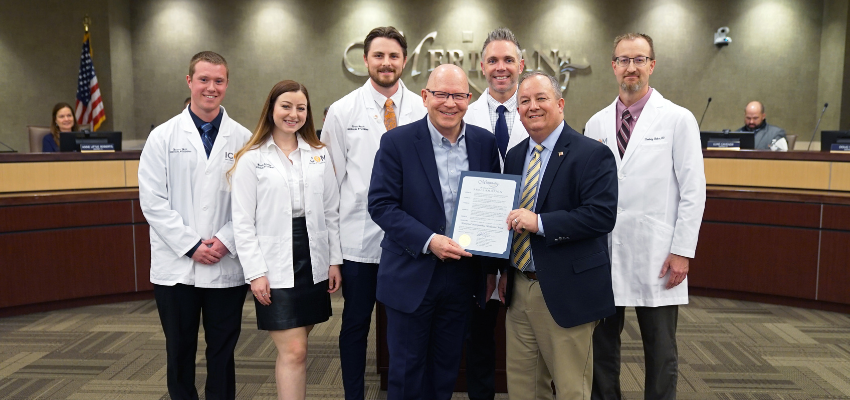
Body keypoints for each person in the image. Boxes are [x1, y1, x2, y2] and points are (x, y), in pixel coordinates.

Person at [584, 33, 706, 400]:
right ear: (613, 66)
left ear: (652, 65)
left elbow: (694, 191)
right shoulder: (596, 124)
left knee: (661, 350)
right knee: (602, 347)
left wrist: (683, 250)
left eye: (639, 59)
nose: (631, 67)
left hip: (658, 253)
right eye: (623, 60)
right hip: (604, 254)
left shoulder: (678, 120)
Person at [368, 64, 500, 400]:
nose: (449, 103)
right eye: (441, 94)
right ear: (425, 97)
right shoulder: (397, 141)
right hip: (412, 273)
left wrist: (490, 271)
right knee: (407, 371)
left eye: (458, 95)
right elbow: (381, 205)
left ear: (469, 99)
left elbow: (492, 205)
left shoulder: (484, 143)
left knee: (446, 368)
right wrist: (429, 241)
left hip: (462, 276)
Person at [138, 51, 251, 400]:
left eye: (218, 81)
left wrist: (224, 240)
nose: (211, 87)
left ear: (227, 84)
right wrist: (191, 245)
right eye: (204, 79)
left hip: (225, 261)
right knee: (179, 349)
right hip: (177, 268)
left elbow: (252, 202)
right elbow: (153, 201)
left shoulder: (244, 138)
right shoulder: (162, 137)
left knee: (222, 351)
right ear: (189, 82)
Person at [499, 71, 618, 400]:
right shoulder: (514, 156)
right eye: (524, 101)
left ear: (560, 104)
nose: (532, 106)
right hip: (520, 289)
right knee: (522, 388)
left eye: (541, 98)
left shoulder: (592, 154)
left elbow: (601, 216)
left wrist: (540, 223)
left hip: (567, 290)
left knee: (570, 390)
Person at [323, 26, 426, 400]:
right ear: (365, 59)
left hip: (410, 240)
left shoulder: (421, 108)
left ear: (404, 61)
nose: (386, 63)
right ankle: (354, 395)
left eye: (394, 56)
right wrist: (333, 256)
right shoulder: (341, 110)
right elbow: (330, 188)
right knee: (355, 324)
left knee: (407, 326)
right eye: (378, 56)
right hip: (358, 241)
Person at [230, 80, 342, 399]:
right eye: (286, 106)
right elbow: (242, 221)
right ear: (271, 109)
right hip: (274, 259)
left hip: (313, 255)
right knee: (294, 350)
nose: (293, 114)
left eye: (301, 108)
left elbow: (331, 211)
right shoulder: (251, 158)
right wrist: (255, 273)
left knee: (297, 350)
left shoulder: (319, 154)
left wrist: (334, 261)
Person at [461, 27, 530, 400]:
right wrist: (490, 267)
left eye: (508, 60)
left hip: (531, 242)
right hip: (479, 246)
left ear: (521, 64)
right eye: (492, 60)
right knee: (480, 336)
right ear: (482, 67)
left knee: (533, 335)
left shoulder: (537, 109)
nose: (500, 67)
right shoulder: (463, 115)